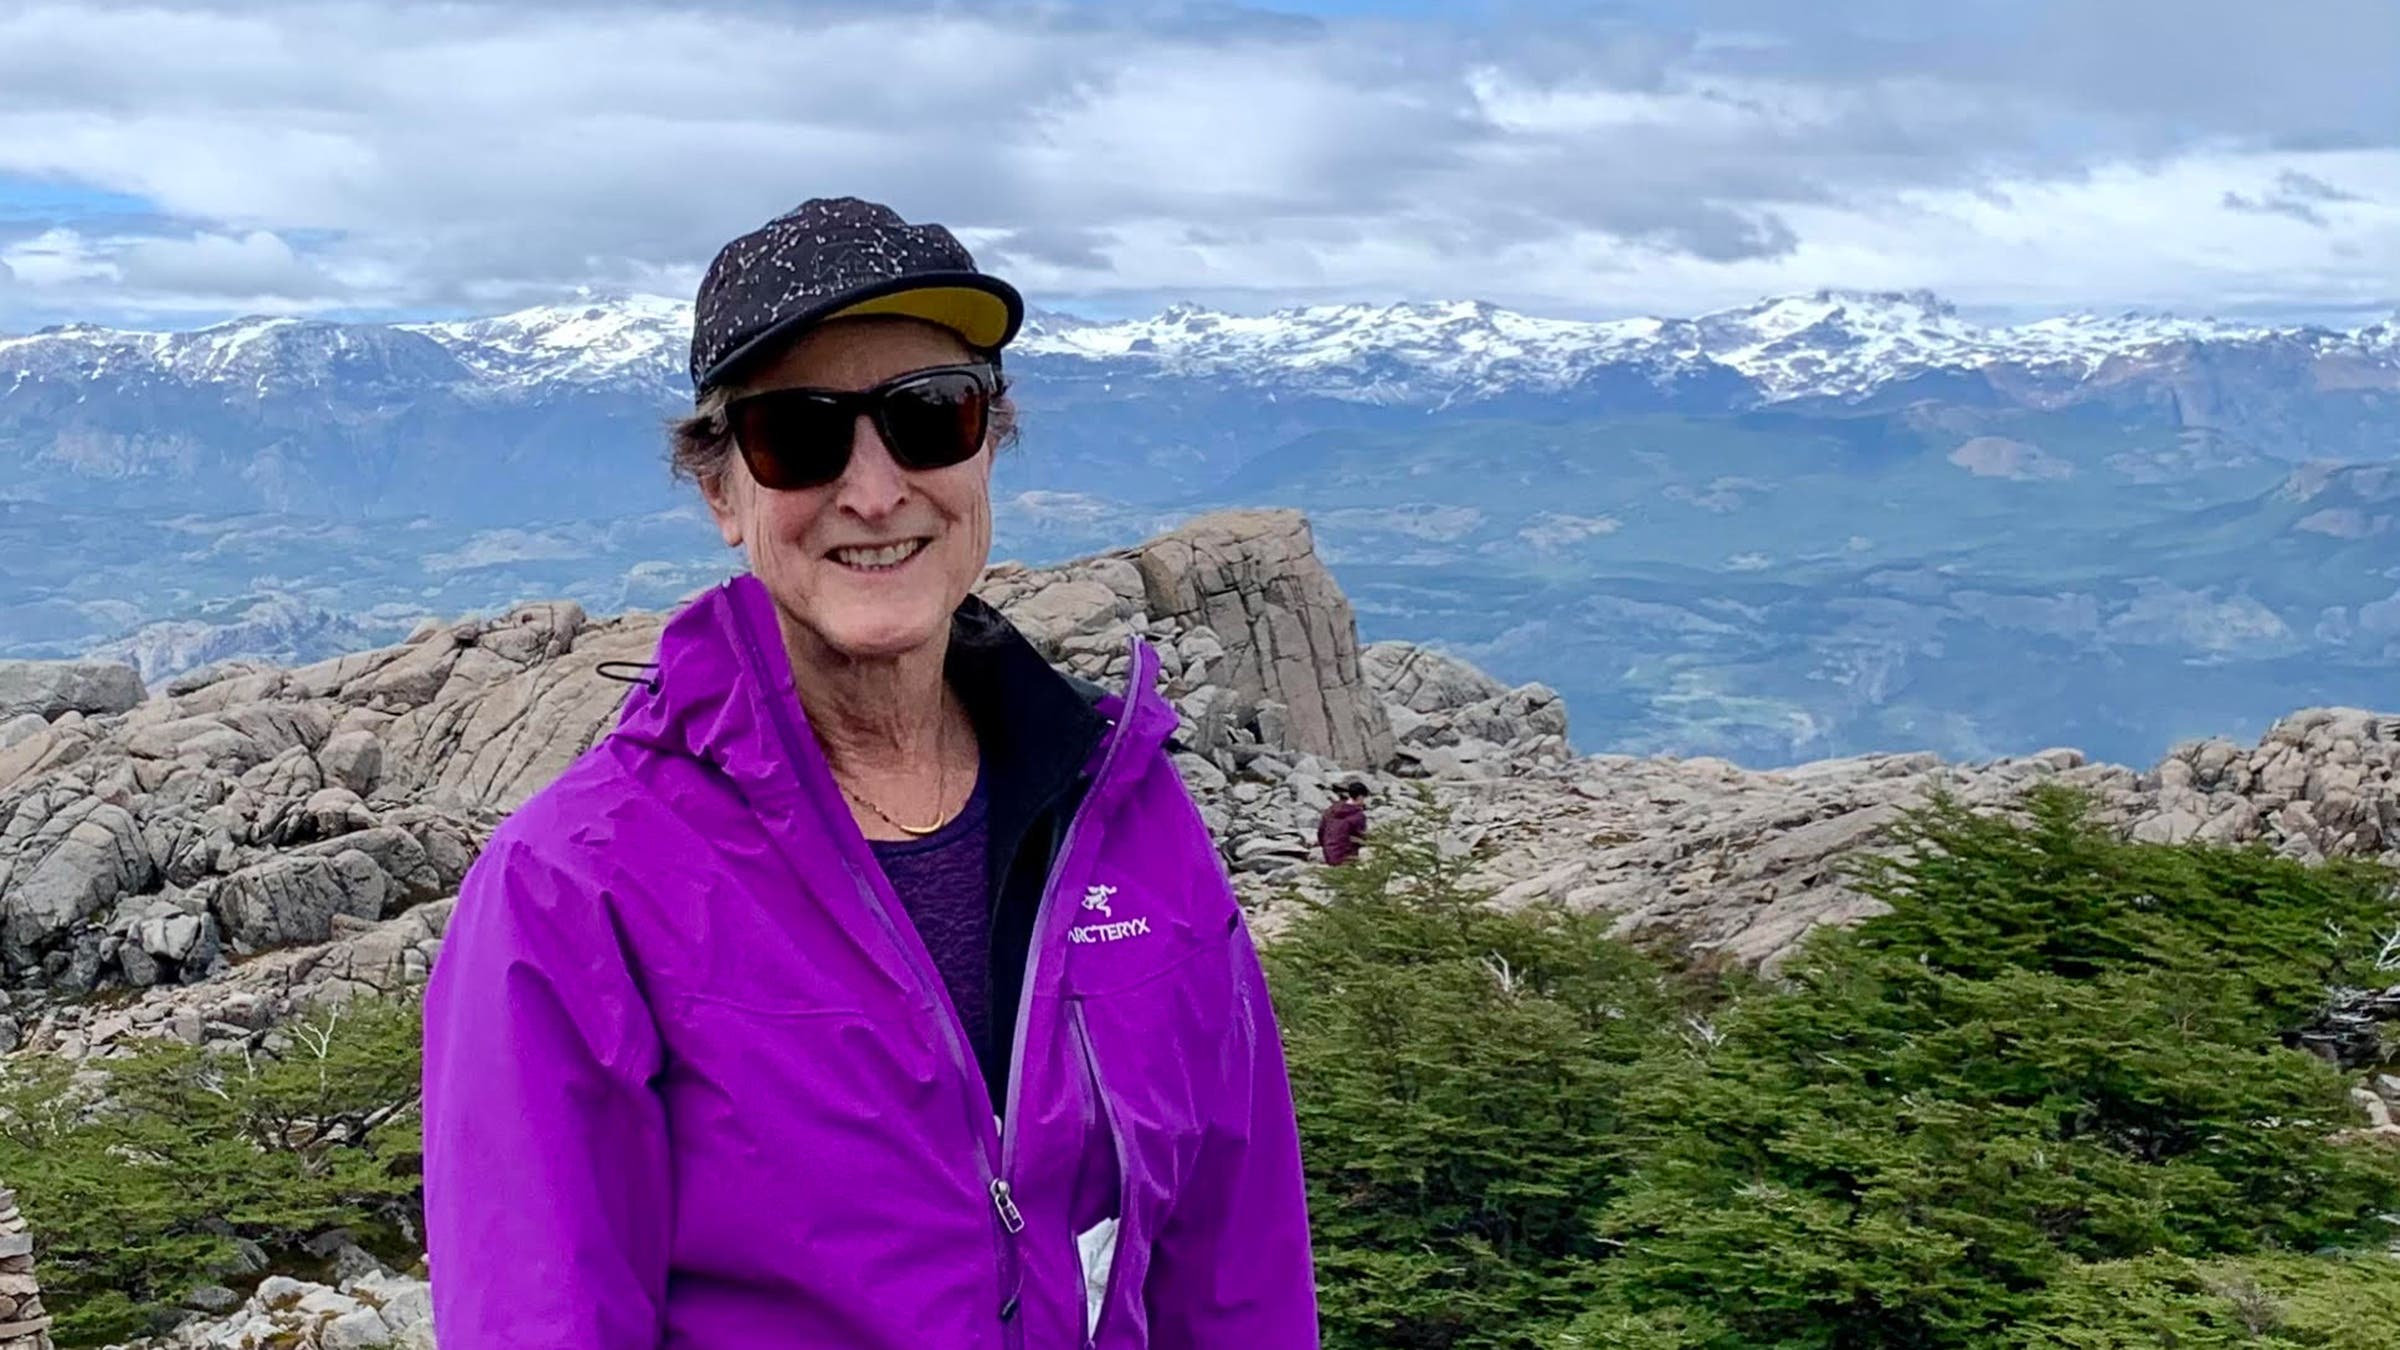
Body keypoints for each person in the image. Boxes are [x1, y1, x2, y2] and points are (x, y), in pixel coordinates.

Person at [421, 198, 1318, 1349]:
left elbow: (1233, 1269)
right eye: (799, 434)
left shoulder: (1126, 809)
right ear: (721, 491)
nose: (876, 487)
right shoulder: (574, 888)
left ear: (990, 442)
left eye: (928, 416)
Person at [1318, 782, 1370, 866]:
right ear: (1360, 797)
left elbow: (1321, 831)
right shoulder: (1358, 816)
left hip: (1329, 853)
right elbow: (1360, 837)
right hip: (1346, 856)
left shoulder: (1331, 810)